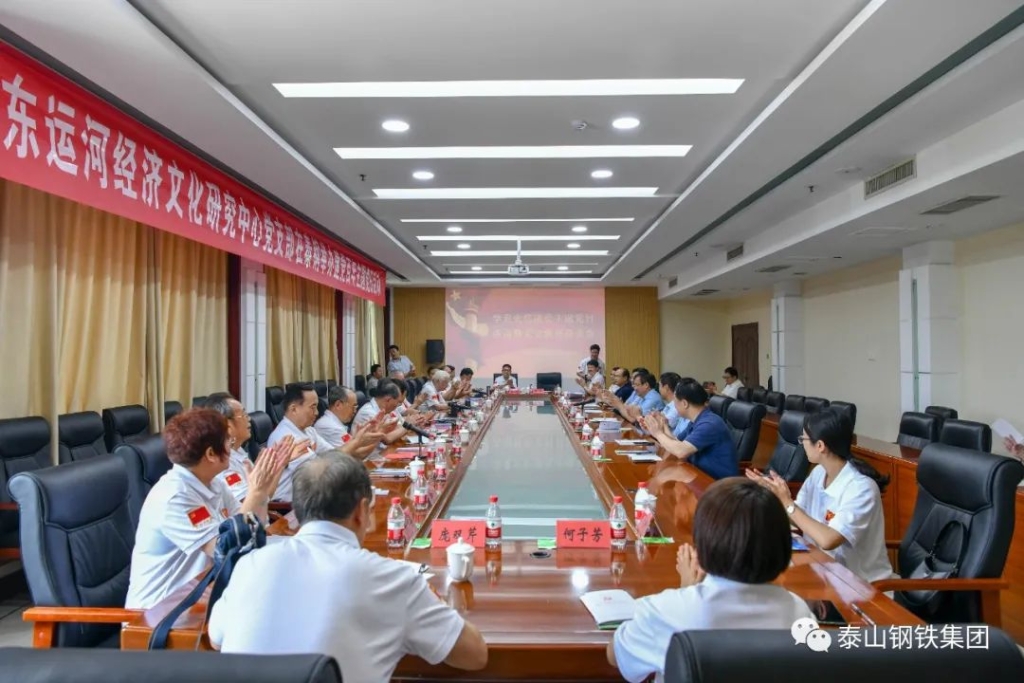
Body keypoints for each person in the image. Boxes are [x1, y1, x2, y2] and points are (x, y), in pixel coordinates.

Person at [208, 452, 489, 682]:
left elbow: (216, 638)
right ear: (361, 511)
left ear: (299, 508)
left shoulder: (251, 564)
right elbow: (475, 655)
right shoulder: (392, 579)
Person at [608, 478, 813, 683]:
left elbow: (615, 656)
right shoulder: (799, 613)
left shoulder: (666, 611)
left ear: (702, 544)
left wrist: (684, 592)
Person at [125, 409, 296, 609]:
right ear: (211, 454)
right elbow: (227, 550)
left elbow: (251, 529)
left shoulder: (214, 483)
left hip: (204, 590)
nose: (232, 447)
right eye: (228, 442)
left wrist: (261, 492)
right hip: (160, 612)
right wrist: (256, 493)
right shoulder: (174, 497)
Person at [747, 410, 895, 584]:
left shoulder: (861, 488)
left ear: (820, 446)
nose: (802, 444)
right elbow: (797, 518)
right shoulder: (819, 473)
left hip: (859, 585)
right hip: (821, 569)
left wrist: (788, 503)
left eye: (803, 439)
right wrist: (774, 495)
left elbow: (828, 540)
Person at [641, 379, 737, 480]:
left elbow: (681, 451)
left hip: (717, 483)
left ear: (684, 403)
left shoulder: (709, 424)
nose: (674, 406)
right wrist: (662, 425)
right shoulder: (697, 420)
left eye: (675, 402)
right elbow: (677, 442)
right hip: (698, 475)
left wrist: (657, 433)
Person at [268, 384, 333, 501]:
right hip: (287, 505)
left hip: (308, 498)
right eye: (313, 407)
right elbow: (321, 471)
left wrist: (357, 442)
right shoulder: (286, 437)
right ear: (294, 409)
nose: (317, 412)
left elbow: (334, 454)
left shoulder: (309, 430)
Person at [203, 393, 253, 502]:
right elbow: (247, 503)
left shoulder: (238, 449)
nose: (249, 419)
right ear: (227, 424)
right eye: (243, 415)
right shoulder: (222, 461)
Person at [314, 385, 382, 459]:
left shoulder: (334, 422)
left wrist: (364, 434)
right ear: (338, 405)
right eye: (354, 406)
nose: (355, 411)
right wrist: (379, 433)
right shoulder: (329, 426)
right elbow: (355, 455)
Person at [353, 379, 414, 445]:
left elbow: (397, 428)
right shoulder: (368, 412)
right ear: (388, 400)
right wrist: (407, 426)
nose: (397, 405)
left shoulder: (385, 410)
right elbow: (387, 438)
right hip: (376, 451)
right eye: (397, 402)